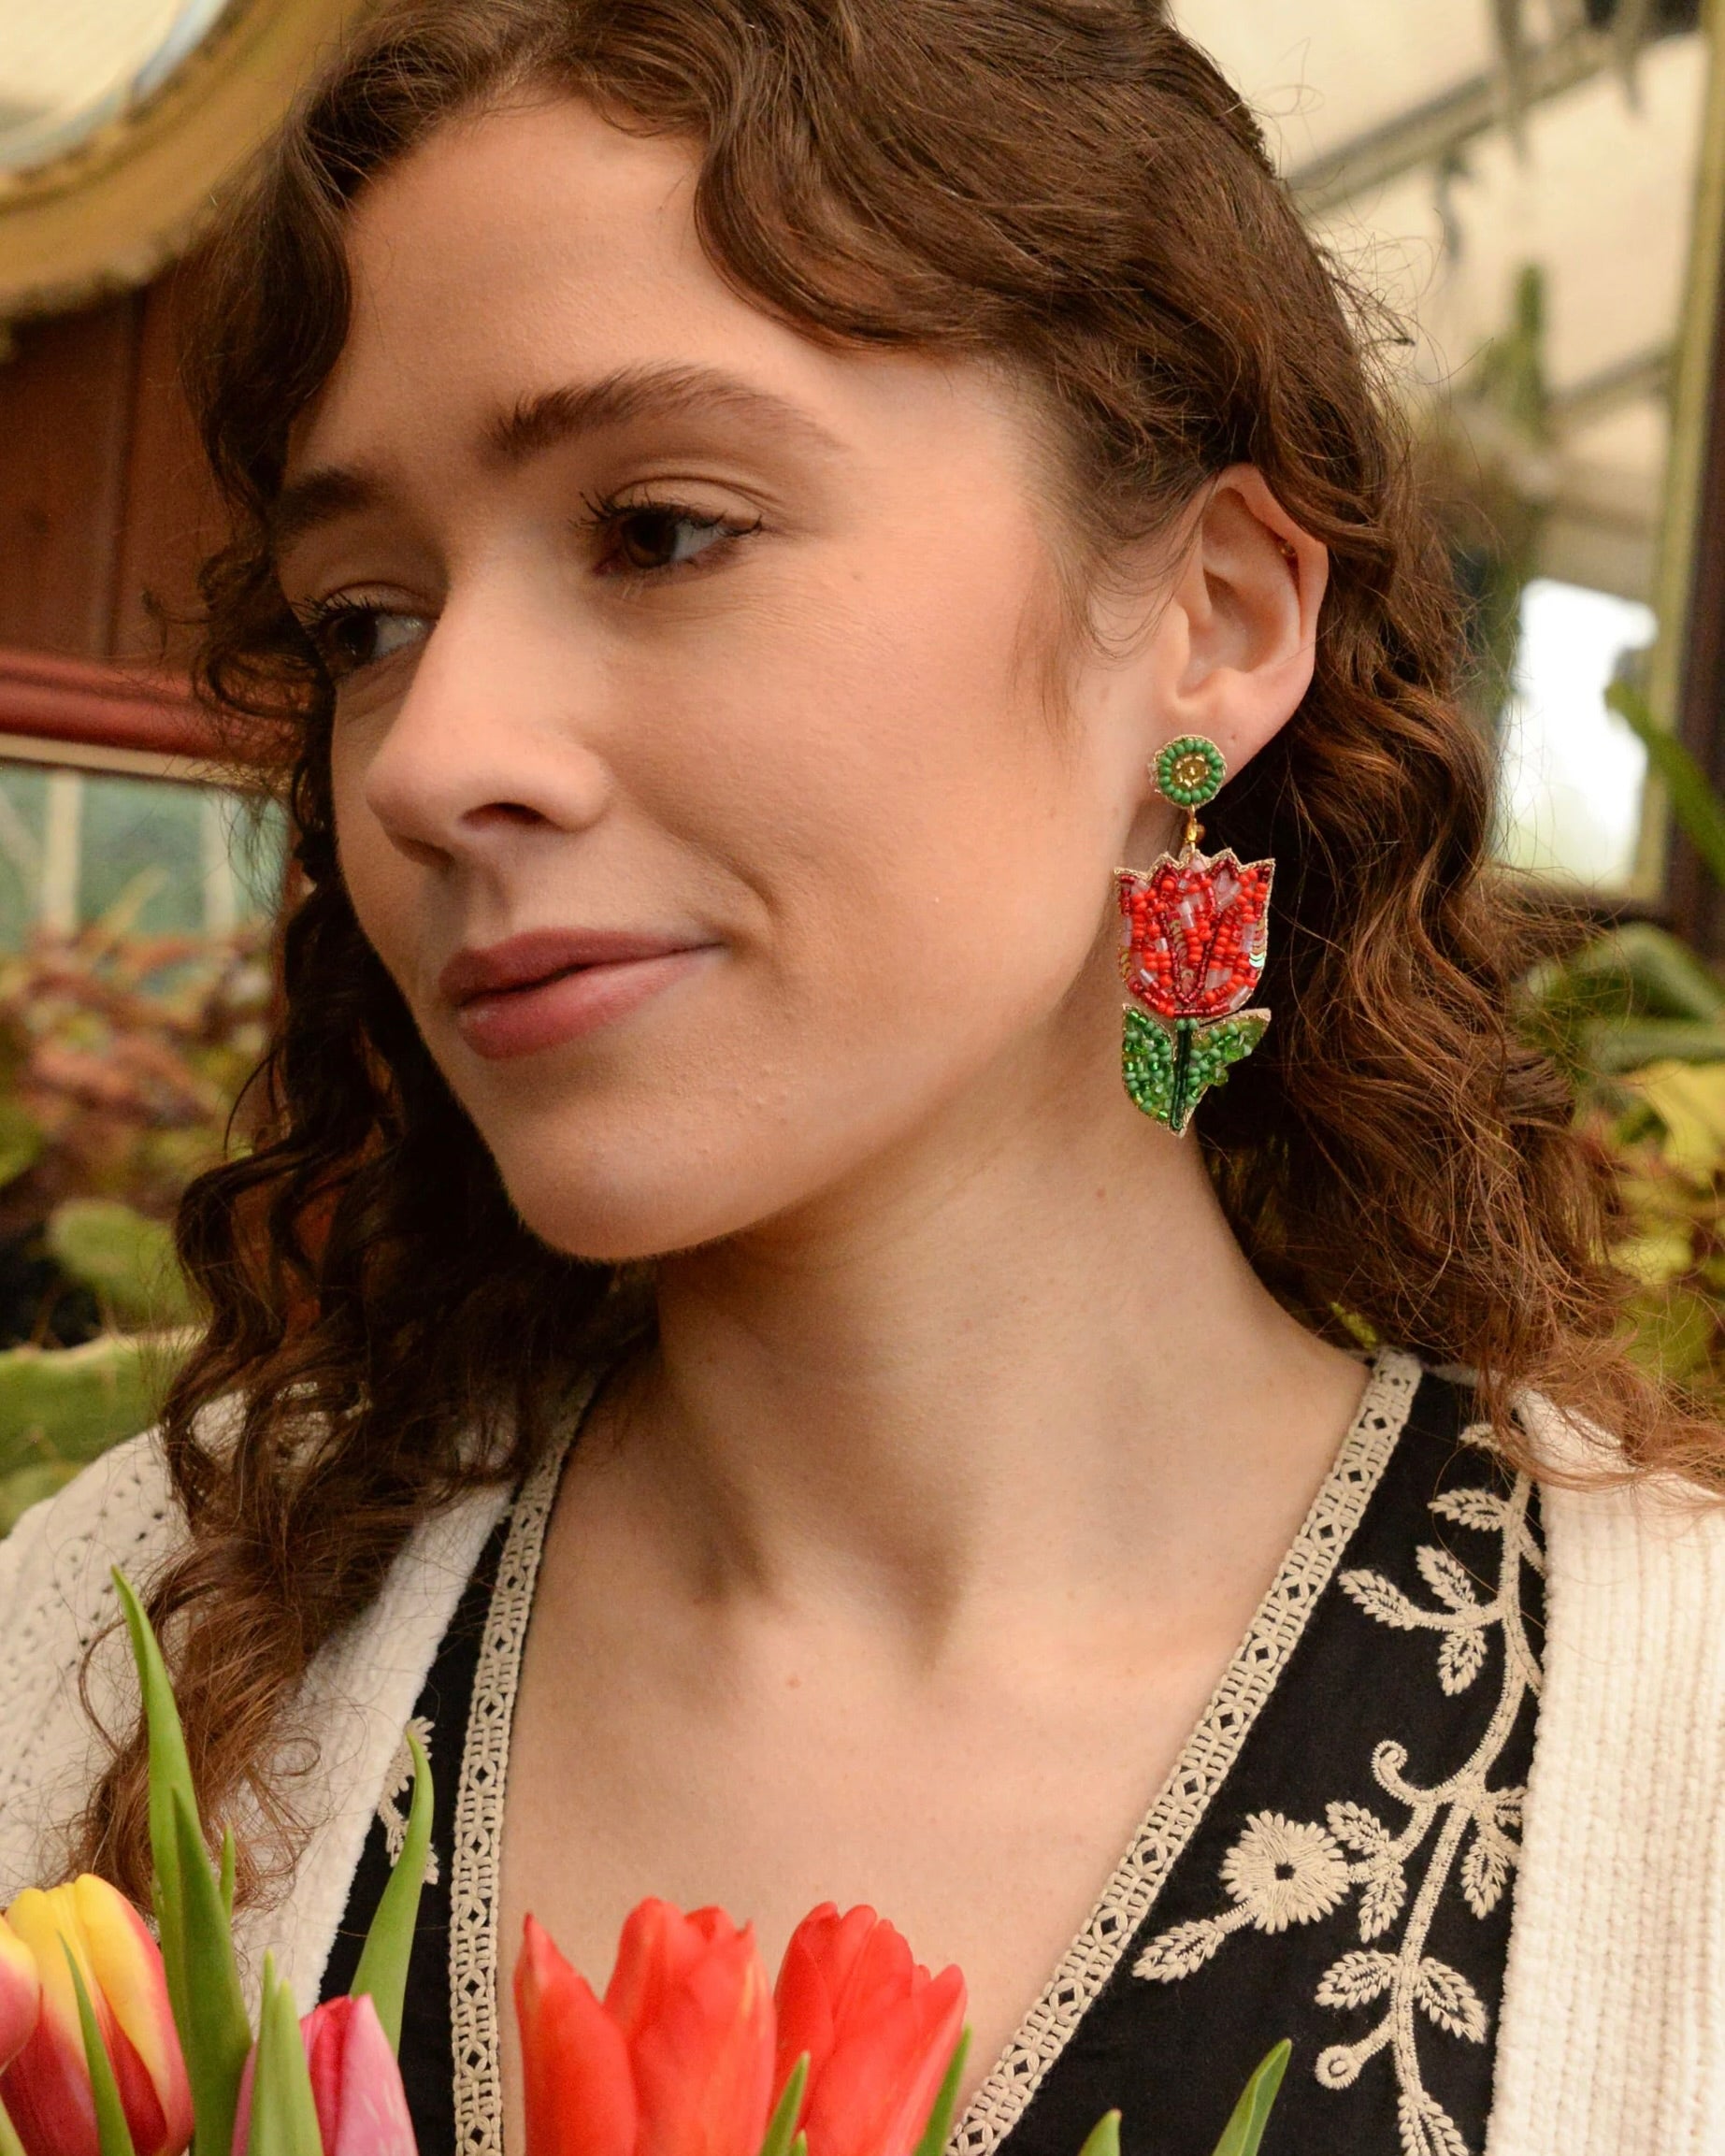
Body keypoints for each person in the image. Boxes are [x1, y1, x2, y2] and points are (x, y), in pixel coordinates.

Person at [1, 3, 1720, 2151]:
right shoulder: (97, 1654)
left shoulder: (1677, 1744)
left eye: (658, 528)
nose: (432, 758)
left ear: (1204, 618)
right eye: (364, 619)